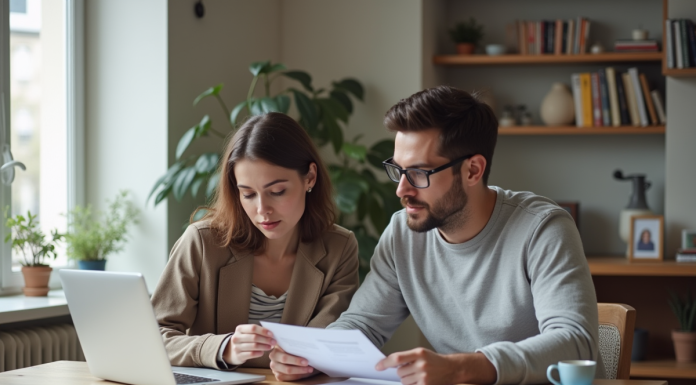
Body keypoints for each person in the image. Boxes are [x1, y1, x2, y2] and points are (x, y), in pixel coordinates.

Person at [269, 86, 603, 384]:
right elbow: (364, 325)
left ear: (473, 170)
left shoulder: (543, 229)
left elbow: (574, 342)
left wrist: (461, 368)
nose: (402, 190)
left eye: (418, 173)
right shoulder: (403, 232)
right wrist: (313, 358)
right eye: (398, 170)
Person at [151, 112, 360, 370]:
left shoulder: (339, 248)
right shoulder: (202, 243)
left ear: (310, 178)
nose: (262, 209)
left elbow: (333, 342)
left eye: (277, 192)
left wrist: (308, 365)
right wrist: (222, 348)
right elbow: (152, 336)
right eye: (248, 194)